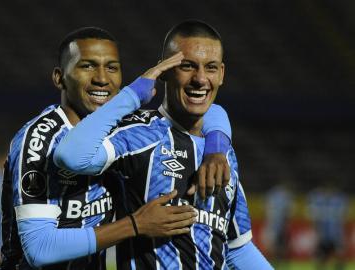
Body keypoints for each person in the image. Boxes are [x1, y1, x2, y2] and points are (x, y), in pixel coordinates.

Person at [54, 20, 272, 269]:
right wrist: (134, 93)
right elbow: (70, 155)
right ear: (165, 69)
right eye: (187, 66)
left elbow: (237, 248)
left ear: (221, 74)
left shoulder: (223, 154)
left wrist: (218, 147)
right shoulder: (138, 135)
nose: (200, 79)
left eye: (210, 68)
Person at [0, 27, 199, 270]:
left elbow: (202, 111)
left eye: (112, 67)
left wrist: (217, 146)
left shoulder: (122, 133)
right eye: (87, 66)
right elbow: (39, 248)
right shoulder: (40, 139)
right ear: (59, 77)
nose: (102, 78)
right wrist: (135, 225)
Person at [307, 181, 347, 270]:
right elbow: (314, 218)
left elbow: (341, 217)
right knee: (321, 258)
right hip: (323, 235)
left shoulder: (337, 201)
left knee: (339, 256)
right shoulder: (319, 202)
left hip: (335, 235)